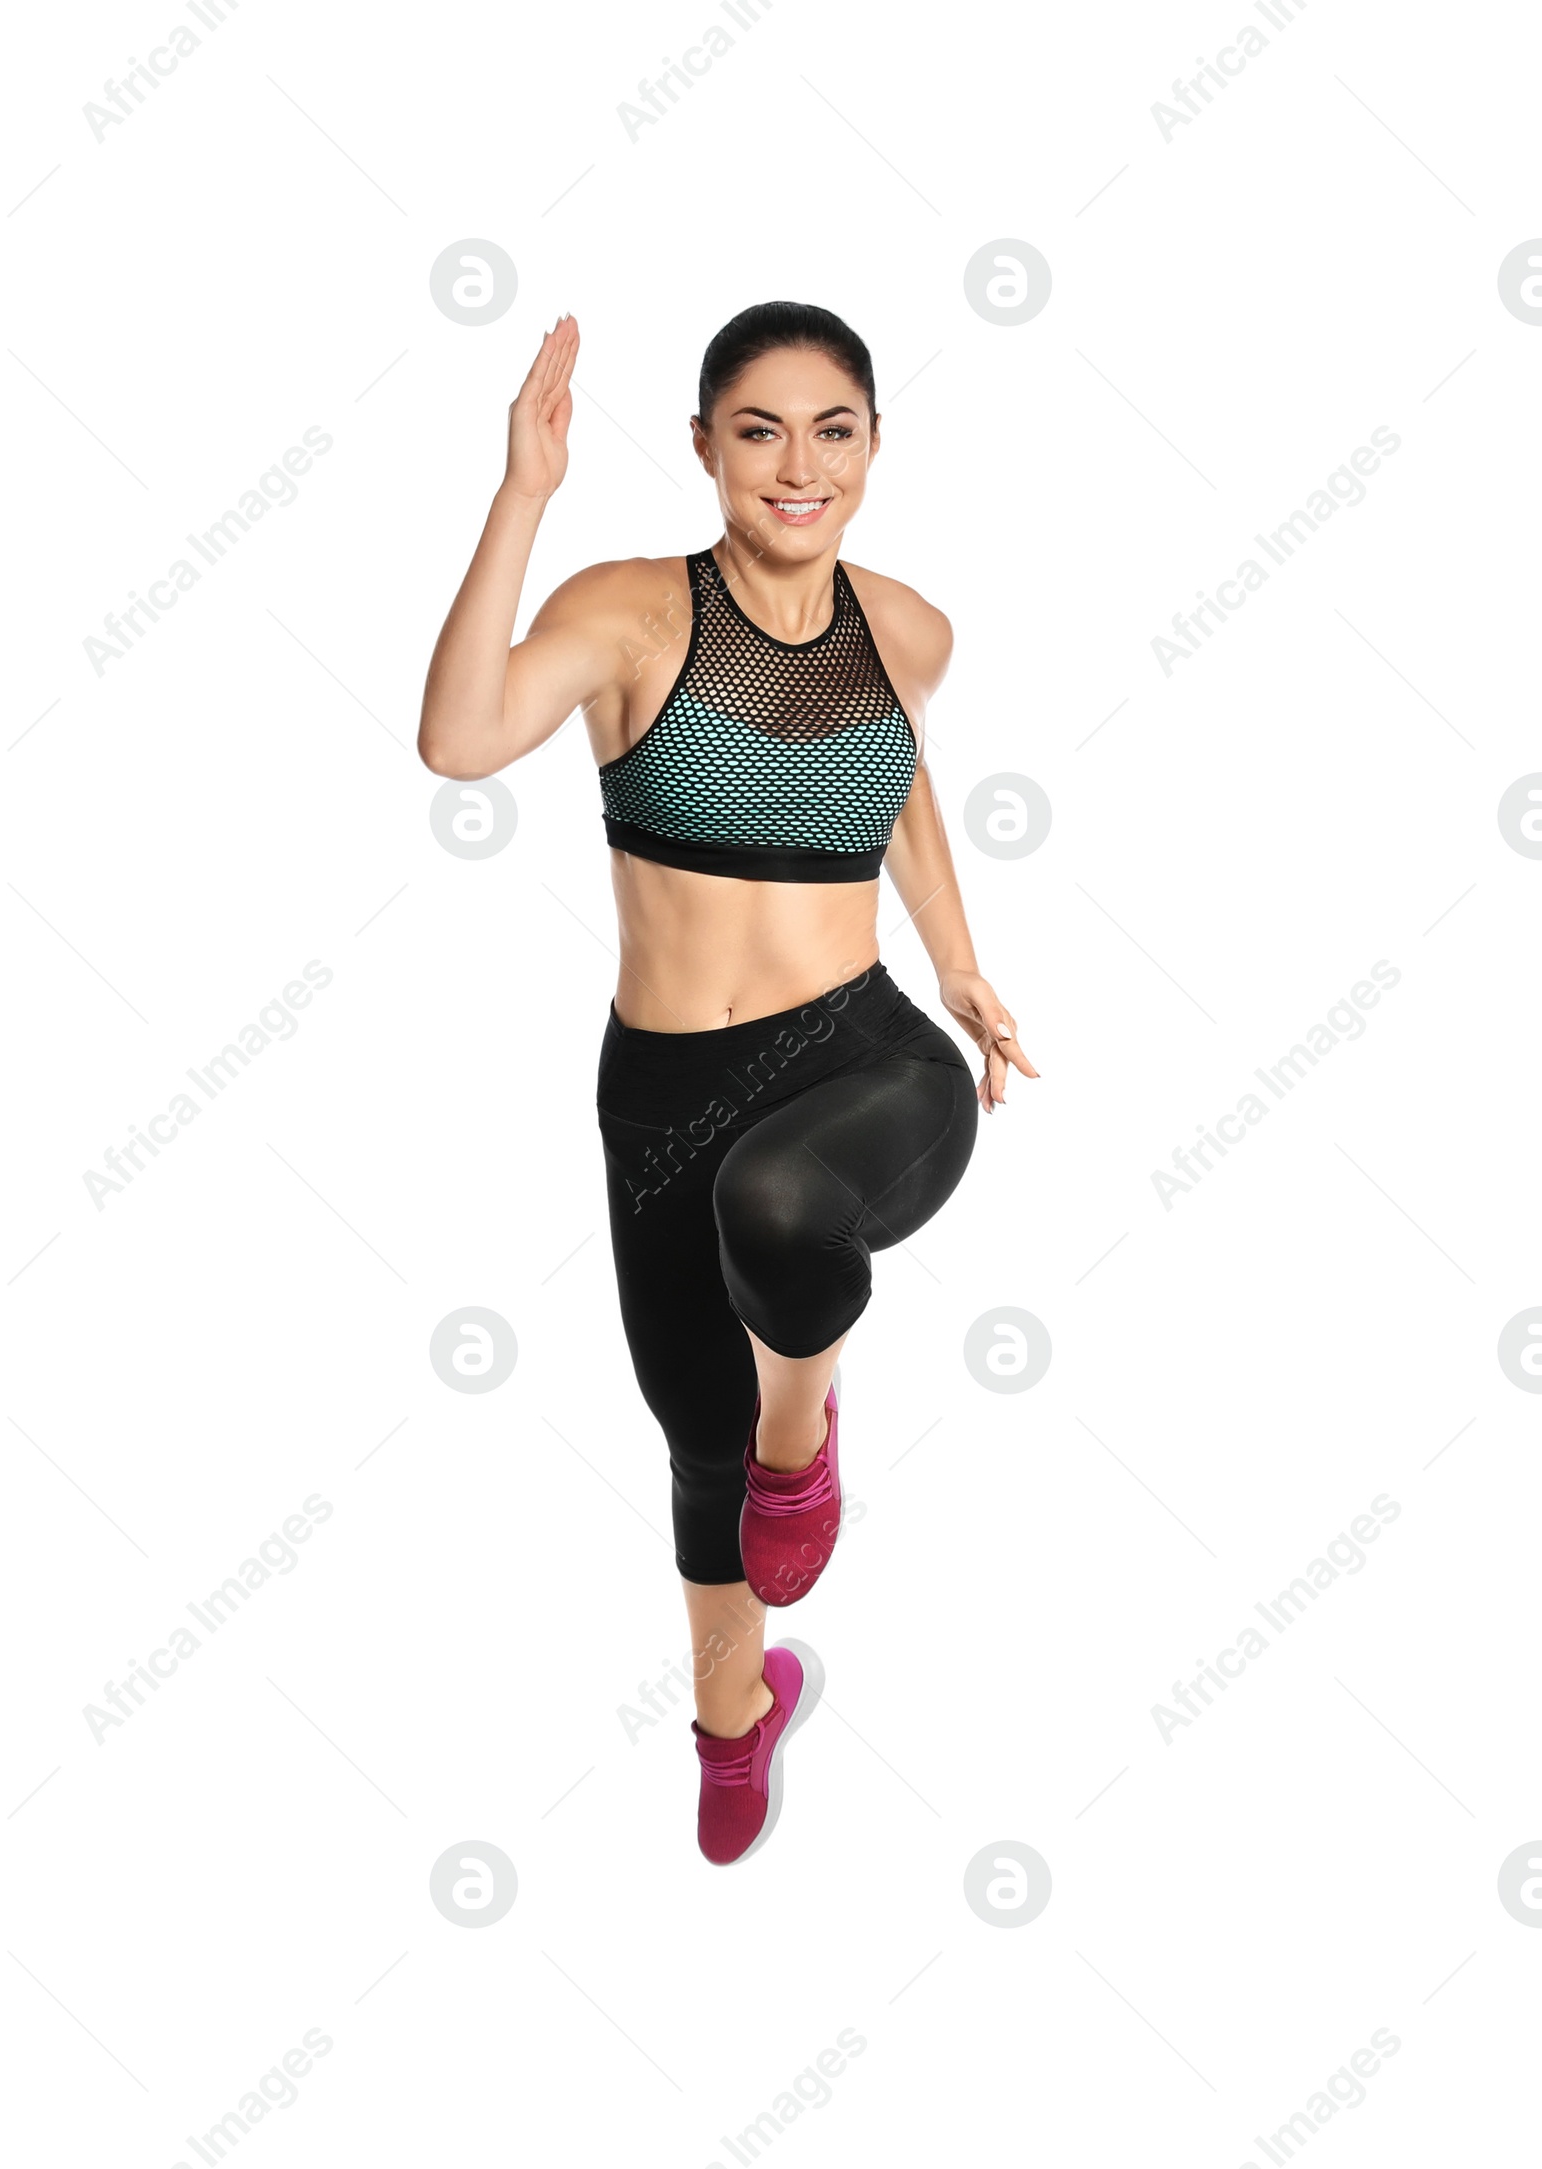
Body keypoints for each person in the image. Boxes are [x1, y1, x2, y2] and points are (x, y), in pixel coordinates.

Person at [418, 300, 1037, 1865]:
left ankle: (804, 1440)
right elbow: (460, 736)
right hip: (667, 1090)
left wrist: (958, 960)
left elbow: (896, 781)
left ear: (876, 447)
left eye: (834, 429)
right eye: (758, 429)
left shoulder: (909, 628)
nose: (797, 464)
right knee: (693, 1424)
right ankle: (734, 1713)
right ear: (703, 447)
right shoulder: (631, 612)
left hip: (867, 1058)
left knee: (778, 1217)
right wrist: (522, 492)